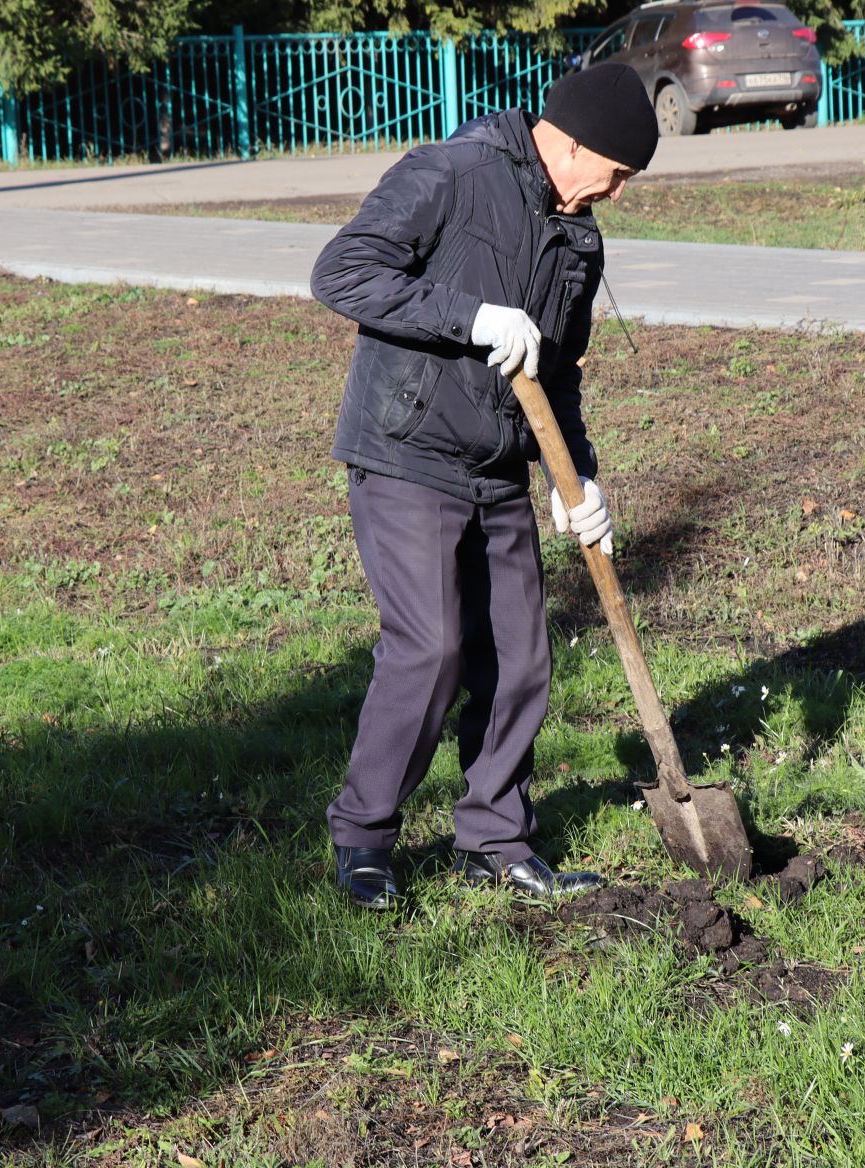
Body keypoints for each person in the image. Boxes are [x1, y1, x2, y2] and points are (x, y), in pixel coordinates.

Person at [309, 64, 659, 909]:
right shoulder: (452, 172)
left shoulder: (579, 237)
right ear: (570, 143)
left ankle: (495, 839)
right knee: (430, 647)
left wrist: (578, 481)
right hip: (406, 448)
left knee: (519, 655)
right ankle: (364, 838)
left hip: (497, 464)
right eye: (614, 172)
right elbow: (341, 273)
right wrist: (469, 318)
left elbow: (560, 375)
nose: (616, 192)